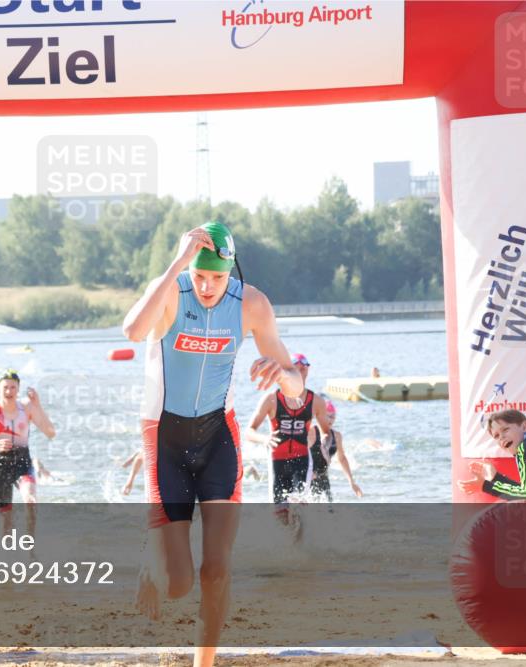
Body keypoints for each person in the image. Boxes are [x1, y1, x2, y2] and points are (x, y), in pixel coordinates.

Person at [122, 221, 304, 667]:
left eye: (216, 278)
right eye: (199, 276)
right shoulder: (171, 290)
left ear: (231, 272)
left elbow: (297, 388)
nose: (205, 287)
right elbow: (132, 330)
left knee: (217, 569)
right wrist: (176, 264)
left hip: (218, 437)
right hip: (164, 437)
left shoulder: (252, 305)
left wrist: (280, 374)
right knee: (180, 582)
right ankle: (153, 558)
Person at [0, 370, 56, 537]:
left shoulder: (27, 408)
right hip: (0, 466)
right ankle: (8, 555)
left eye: (13, 387)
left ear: (18, 389)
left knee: (30, 500)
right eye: (5, 388)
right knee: (6, 519)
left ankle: (30, 550)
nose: (9, 392)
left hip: (22, 462)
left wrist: (38, 405)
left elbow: (50, 432)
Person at [245, 353, 331, 504]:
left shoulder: (316, 402)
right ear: (287, 373)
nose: (300, 373)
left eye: (303, 370)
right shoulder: (271, 399)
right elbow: (249, 432)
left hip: (302, 460)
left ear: (307, 372)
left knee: (300, 505)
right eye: (296, 369)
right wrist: (265, 438)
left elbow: (326, 433)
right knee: (280, 512)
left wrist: (322, 444)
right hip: (277, 462)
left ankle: (305, 526)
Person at [458, 409, 526, 498]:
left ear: (524, 427)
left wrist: (485, 486)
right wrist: (496, 477)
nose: (501, 437)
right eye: (496, 436)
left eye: (505, 429)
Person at [307, 398, 363, 501]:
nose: (330, 420)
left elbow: (341, 459)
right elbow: (296, 454)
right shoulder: (310, 432)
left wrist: (351, 481)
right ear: (319, 416)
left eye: (333, 416)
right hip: (307, 479)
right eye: (327, 416)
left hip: (324, 479)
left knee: (329, 511)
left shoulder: (336, 436)